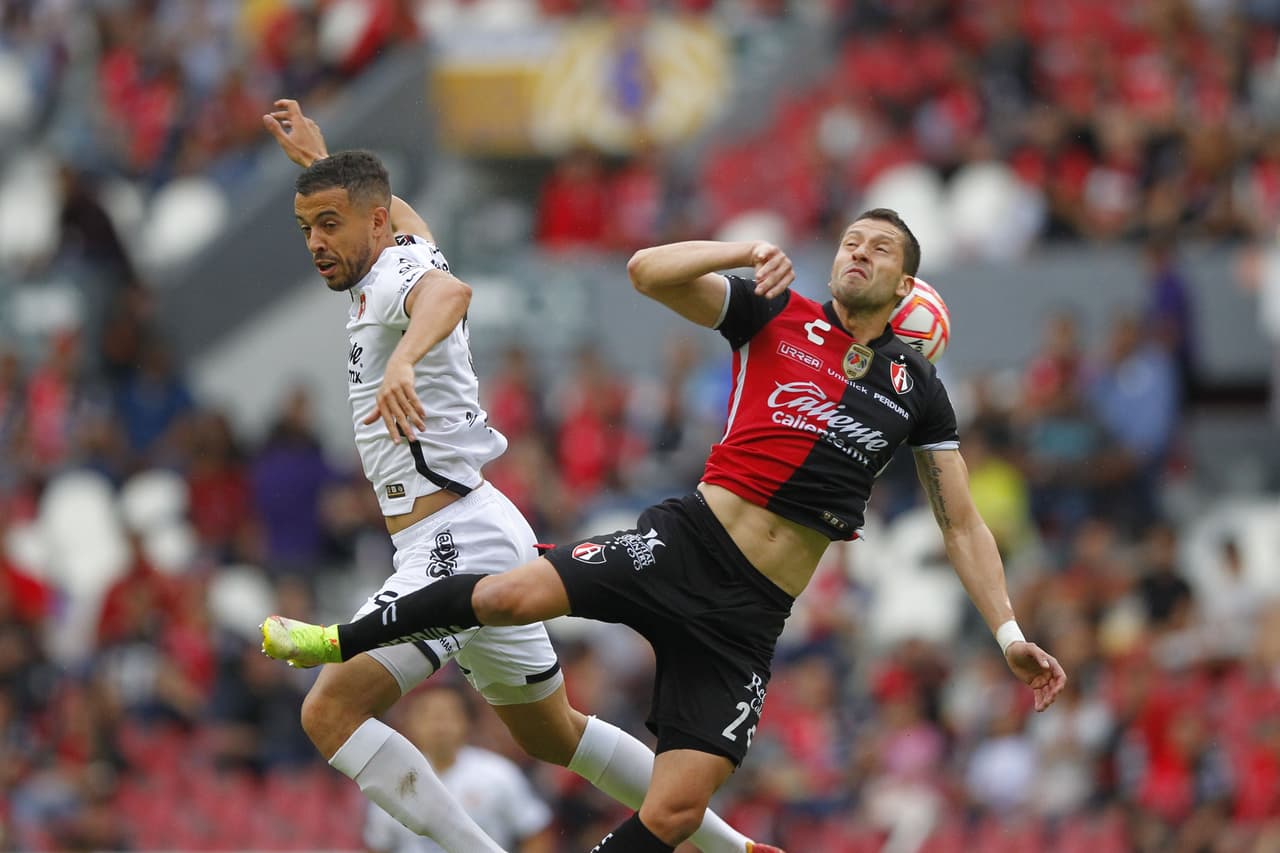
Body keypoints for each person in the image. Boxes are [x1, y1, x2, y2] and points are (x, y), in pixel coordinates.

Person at [263, 205, 1068, 851]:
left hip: (749, 617)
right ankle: (343, 637)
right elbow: (646, 271)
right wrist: (745, 247)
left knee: (676, 808)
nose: (857, 252)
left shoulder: (916, 386)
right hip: (684, 543)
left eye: (879, 249)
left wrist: (1005, 633)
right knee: (510, 596)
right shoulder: (776, 312)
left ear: (906, 285)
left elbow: (960, 520)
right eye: (850, 240)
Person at [258, 100, 778, 853]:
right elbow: (398, 222)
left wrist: (402, 360)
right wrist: (319, 162)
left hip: (453, 541)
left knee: (328, 712)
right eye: (307, 227)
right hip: (475, 526)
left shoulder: (403, 272)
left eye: (329, 225)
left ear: (373, 225)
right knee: (553, 734)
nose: (314, 242)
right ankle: (736, 851)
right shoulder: (401, 242)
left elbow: (450, 296)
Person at [364, 685, 554, 853]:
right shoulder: (392, 782)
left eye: (447, 715)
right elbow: (380, 845)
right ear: (410, 724)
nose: (438, 726)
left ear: (466, 722)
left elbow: (535, 834)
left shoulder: (498, 774)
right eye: (428, 716)